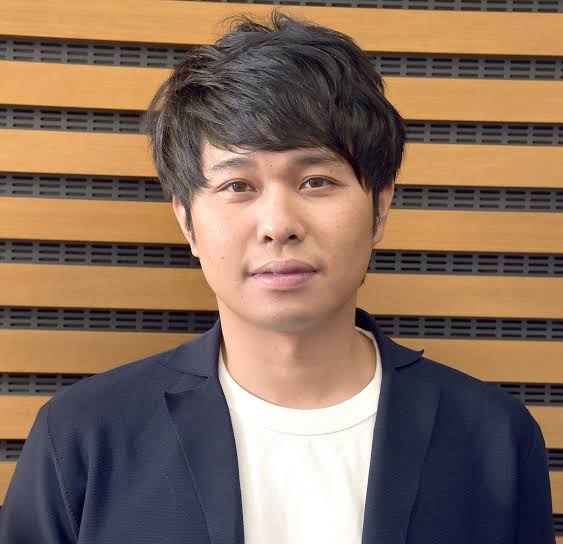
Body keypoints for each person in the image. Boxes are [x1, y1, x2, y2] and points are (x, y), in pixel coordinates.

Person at [0, 10, 555, 544]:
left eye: (316, 181)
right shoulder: (81, 439)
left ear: (380, 207)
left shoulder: (493, 439)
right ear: (186, 221)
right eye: (237, 186)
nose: (278, 225)